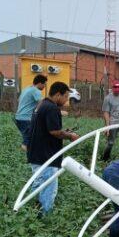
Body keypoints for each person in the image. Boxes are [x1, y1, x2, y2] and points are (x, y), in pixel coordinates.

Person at [27, 81, 79, 215]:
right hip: (47, 155)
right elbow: (54, 132)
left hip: (36, 153)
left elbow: (47, 128)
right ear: (57, 95)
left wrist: (63, 131)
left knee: (38, 183)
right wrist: (70, 135)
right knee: (49, 187)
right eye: (66, 97)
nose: (67, 100)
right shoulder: (52, 108)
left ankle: (32, 213)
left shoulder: (41, 104)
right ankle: (45, 216)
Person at [14, 75, 47, 151]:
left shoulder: (27, 89)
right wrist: (36, 112)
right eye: (44, 84)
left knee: (28, 136)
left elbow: (19, 100)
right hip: (26, 118)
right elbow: (41, 102)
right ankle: (25, 153)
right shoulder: (36, 90)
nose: (44, 86)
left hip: (18, 117)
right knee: (29, 138)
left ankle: (29, 151)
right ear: (39, 83)